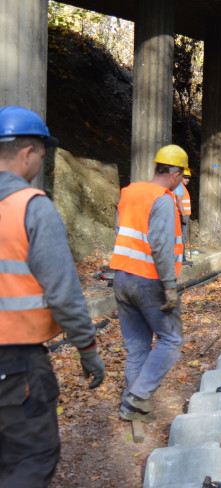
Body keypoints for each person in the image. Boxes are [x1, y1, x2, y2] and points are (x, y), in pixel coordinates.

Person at [0, 106, 105, 487]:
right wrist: (88, 350)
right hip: (15, 362)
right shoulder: (32, 207)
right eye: (42, 154)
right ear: (28, 152)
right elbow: (64, 293)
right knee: (33, 455)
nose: (41, 162)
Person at [109, 144, 187, 422]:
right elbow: (161, 246)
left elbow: (121, 231)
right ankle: (137, 397)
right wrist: (169, 286)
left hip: (121, 277)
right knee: (171, 339)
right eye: (181, 177)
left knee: (138, 346)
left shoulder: (129, 192)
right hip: (149, 280)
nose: (180, 183)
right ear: (175, 174)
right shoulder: (163, 199)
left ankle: (131, 404)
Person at [174, 167, 192, 265]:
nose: (187, 179)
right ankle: (182, 259)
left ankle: (179, 258)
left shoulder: (179, 186)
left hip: (179, 215)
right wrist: (184, 215)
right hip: (181, 216)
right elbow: (179, 200)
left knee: (179, 238)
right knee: (181, 239)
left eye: (188, 178)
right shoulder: (180, 187)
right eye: (185, 177)